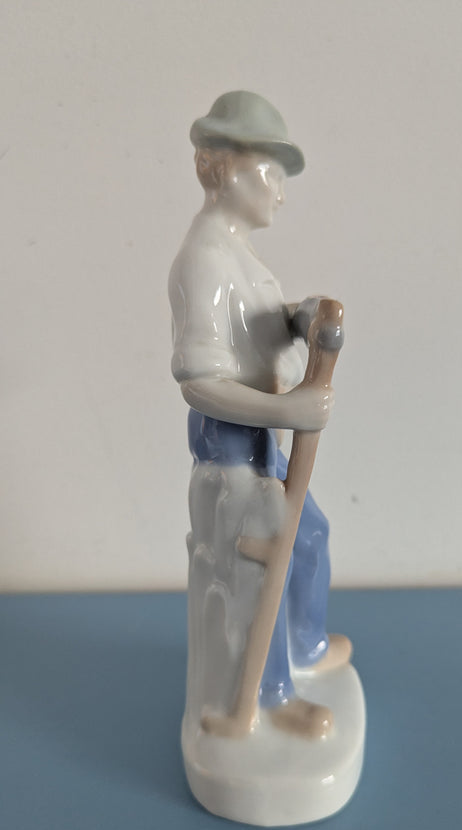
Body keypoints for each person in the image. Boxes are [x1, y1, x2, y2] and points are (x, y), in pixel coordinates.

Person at [169, 91, 351, 738]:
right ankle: (267, 698)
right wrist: (287, 407)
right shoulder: (204, 262)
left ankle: (303, 645)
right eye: (270, 172)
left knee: (308, 535)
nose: (280, 191)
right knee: (259, 564)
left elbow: (261, 329)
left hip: (263, 446)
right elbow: (200, 381)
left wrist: (300, 319)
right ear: (224, 169)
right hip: (230, 452)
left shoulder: (241, 259)